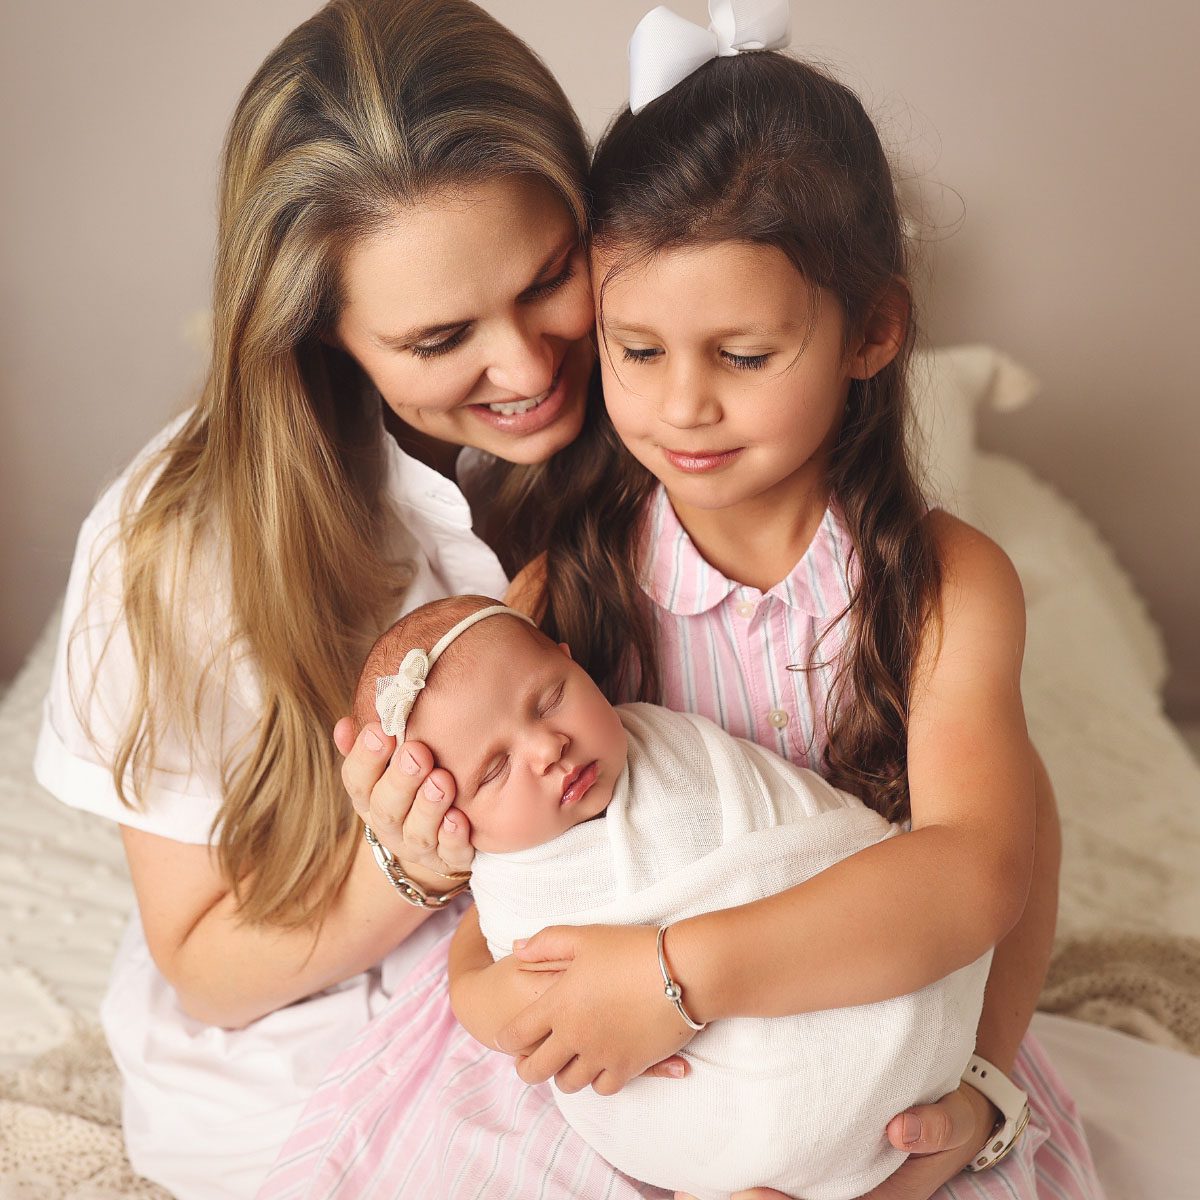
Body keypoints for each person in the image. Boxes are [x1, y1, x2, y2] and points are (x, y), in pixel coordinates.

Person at [262, 5, 1104, 1200]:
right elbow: (499, 925)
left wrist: (684, 982)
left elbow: (979, 872)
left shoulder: (942, 588)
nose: (682, 406)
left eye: (744, 356)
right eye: (636, 350)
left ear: (873, 330)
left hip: (868, 1022)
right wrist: (533, 1004)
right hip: (637, 1060)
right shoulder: (573, 586)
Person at [31, 1, 603, 1195]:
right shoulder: (178, 550)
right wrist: (402, 870)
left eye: (552, 278)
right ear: (320, 336)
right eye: (444, 337)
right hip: (325, 1018)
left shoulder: (684, 390)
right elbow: (200, 960)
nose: (533, 366)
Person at [351, 595, 991, 1200]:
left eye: (550, 700)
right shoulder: (514, 881)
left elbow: (825, 847)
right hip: (736, 1096)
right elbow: (533, 999)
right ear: (449, 818)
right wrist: (481, 984)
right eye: (493, 770)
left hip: (886, 958)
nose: (548, 748)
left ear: (574, 662)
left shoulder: (668, 745)